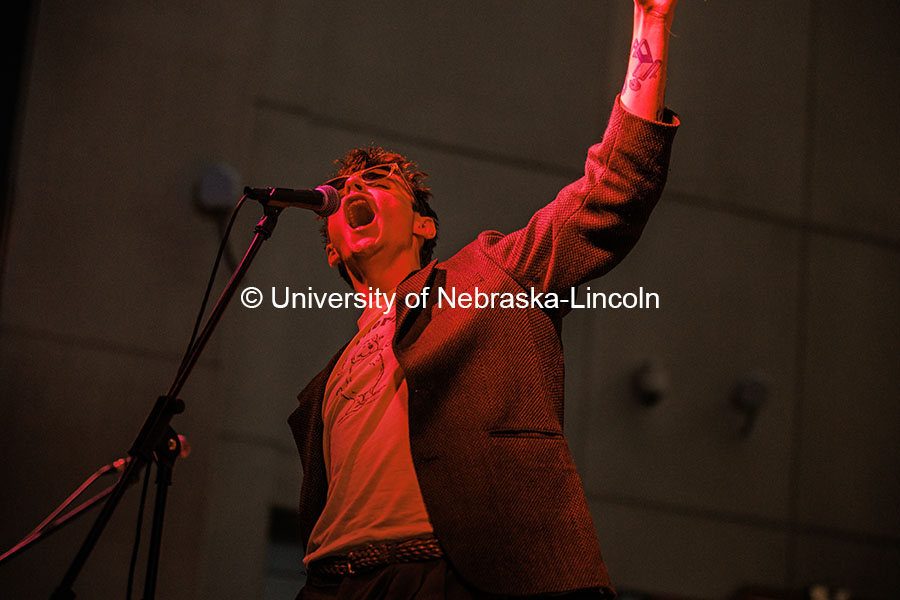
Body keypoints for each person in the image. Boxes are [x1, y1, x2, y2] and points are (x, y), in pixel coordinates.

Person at [289, 1, 680, 597]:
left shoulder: (488, 276)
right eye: (343, 190)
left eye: (380, 182)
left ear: (424, 227)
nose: (356, 188)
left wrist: (650, 23)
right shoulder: (324, 385)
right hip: (336, 585)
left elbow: (611, 193)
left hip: (456, 577)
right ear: (332, 250)